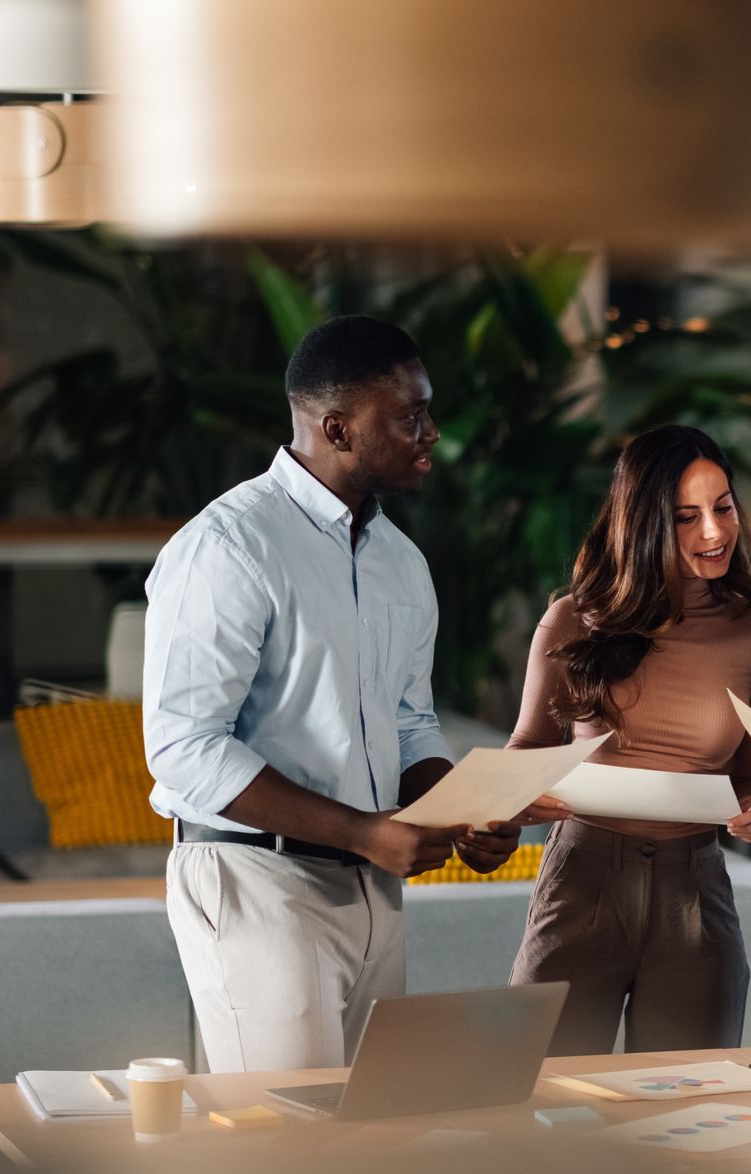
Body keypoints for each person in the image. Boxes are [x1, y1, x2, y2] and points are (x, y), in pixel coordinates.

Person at [143, 315, 527, 1073]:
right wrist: (361, 831)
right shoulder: (226, 548)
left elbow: (409, 721)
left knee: (372, 1142)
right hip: (256, 883)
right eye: (412, 416)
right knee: (289, 1149)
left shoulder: (402, 562)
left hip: (374, 889)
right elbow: (183, 748)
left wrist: (460, 813)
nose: (434, 434)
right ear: (338, 427)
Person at [507, 426, 751, 1054]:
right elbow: (527, 745)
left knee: (686, 1118)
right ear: (642, 525)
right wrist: (514, 794)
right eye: (687, 517)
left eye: (724, 507)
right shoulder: (572, 620)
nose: (715, 532)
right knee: (539, 1107)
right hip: (582, 877)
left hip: (693, 889)